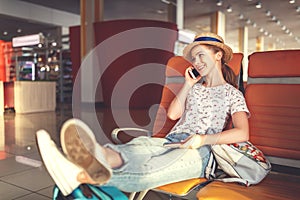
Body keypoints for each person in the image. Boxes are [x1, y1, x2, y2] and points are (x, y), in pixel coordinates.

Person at [36, 32, 250, 196]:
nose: (196, 63)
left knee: (152, 166)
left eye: (201, 55)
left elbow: (242, 133)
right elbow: (174, 114)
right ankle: (91, 157)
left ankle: (78, 175)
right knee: (138, 146)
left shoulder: (232, 94)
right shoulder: (194, 87)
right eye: (194, 58)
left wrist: (202, 139)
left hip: (202, 151)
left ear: (218, 55)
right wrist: (187, 85)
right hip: (171, 140)